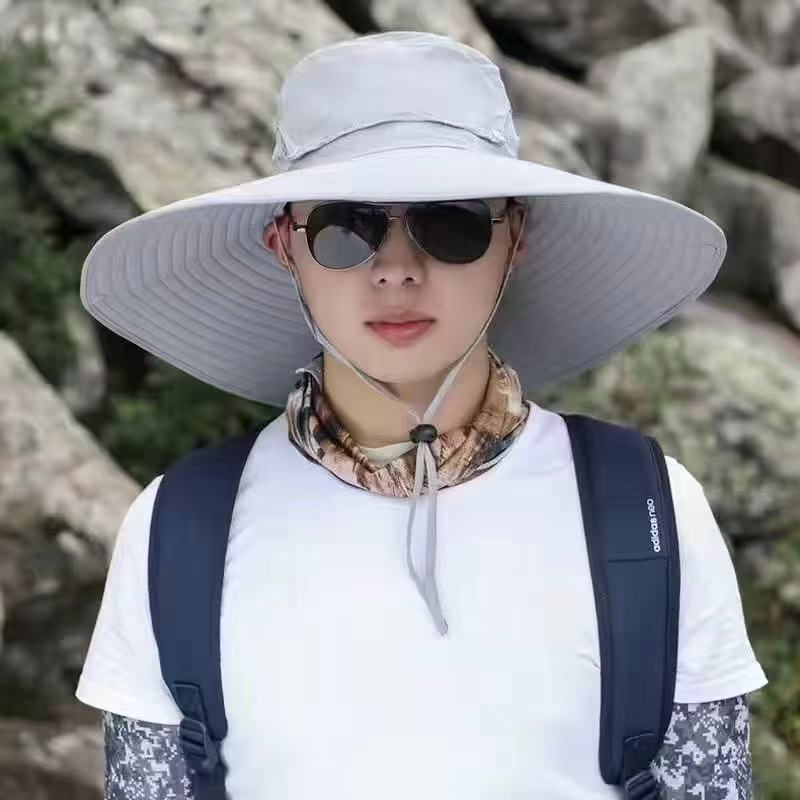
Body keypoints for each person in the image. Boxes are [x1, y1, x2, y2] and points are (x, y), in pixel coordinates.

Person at [75, 31, 767, 799]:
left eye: (452, 223)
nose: (398, 269)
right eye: (346, 228)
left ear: (515, 238)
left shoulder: (648, 512)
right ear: (285, 248)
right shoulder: (177, 530)